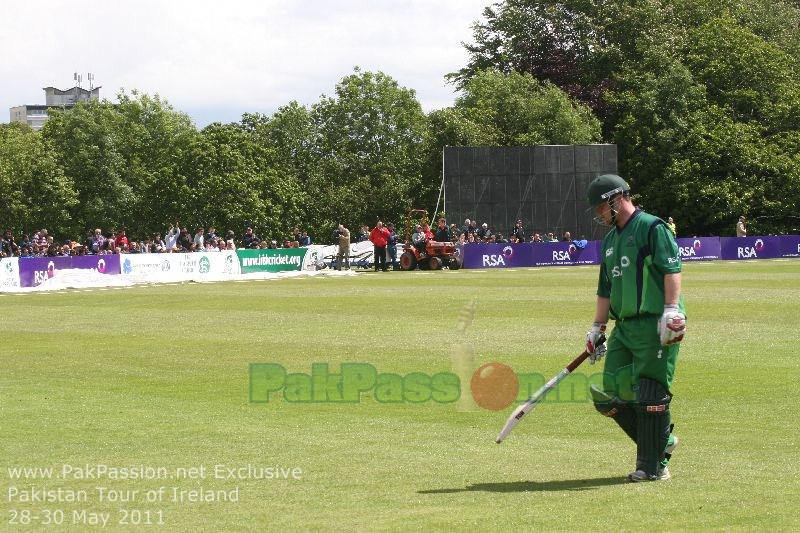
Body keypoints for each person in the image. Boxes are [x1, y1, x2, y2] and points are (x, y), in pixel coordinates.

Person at [584, 173, 686, 483]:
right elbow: (605, 288)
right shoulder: (612, 239)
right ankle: (663, 442)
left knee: (651, 393)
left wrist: (671, 310)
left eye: (600, 208)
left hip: (655, 322)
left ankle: (651, 466)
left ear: (615, 200)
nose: (599, 215)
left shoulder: (653, 227)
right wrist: (597, 327)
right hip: (624, 328)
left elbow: (671, 268)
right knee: (608, 395)